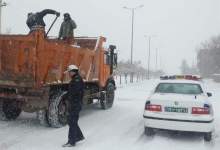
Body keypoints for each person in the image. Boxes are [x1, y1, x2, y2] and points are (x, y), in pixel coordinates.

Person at [63, 65, 85, 147]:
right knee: (71, 121)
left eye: (69, 72)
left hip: (75, 104)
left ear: (73, 72)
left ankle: (72, 141)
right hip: (74, 103)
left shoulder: (77, 80)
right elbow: (72, 91)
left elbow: (75, 92)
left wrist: (69, 97)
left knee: (72, 122)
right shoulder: (75, 79)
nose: (69, 73)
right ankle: (79, 136)